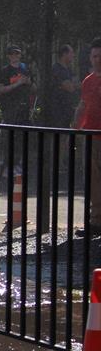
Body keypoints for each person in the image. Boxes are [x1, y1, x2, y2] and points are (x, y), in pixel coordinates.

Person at [73, 37, 101, 233]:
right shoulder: (88, 81)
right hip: (91, 134)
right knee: (92, 179)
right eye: (95, 56)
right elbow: (83, 105)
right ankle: (96, 219)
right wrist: (75, 126)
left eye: (100, 56)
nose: (97, 59)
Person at [0, 44, 36, 125]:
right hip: (10, 108)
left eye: (16, 53)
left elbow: (34, 89)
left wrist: (29, 82)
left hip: (24, 108)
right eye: (11, 53)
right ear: (8, 56)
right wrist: (17, 84)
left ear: (20, 55)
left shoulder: (26, 69)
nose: (14, 55)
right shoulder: (4, 71)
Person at [50, 44, 80, 128]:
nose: (73, 55)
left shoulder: (69, 70)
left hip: (68, 109)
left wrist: (72, 84)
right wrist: (72, 84)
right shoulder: (56, 69)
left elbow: (78, 84)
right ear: (64, 54)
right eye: (71, 52)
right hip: (58, 110)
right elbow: (70, 87)